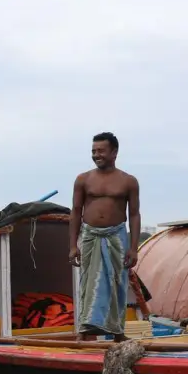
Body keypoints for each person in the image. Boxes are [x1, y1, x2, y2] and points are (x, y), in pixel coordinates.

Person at [68, 132, 141, 342]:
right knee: (88, 283)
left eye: (101, 151)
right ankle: (85, 331)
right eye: (93, 151)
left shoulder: (128, 181)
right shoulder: (83, 179)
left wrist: (134, 247)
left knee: (117, 282)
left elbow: (134, 214)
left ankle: (117, 332)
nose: (96, 155)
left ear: (114, 152)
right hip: (90, 235)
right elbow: (75, 211)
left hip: (116, 236)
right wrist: (73, 245)